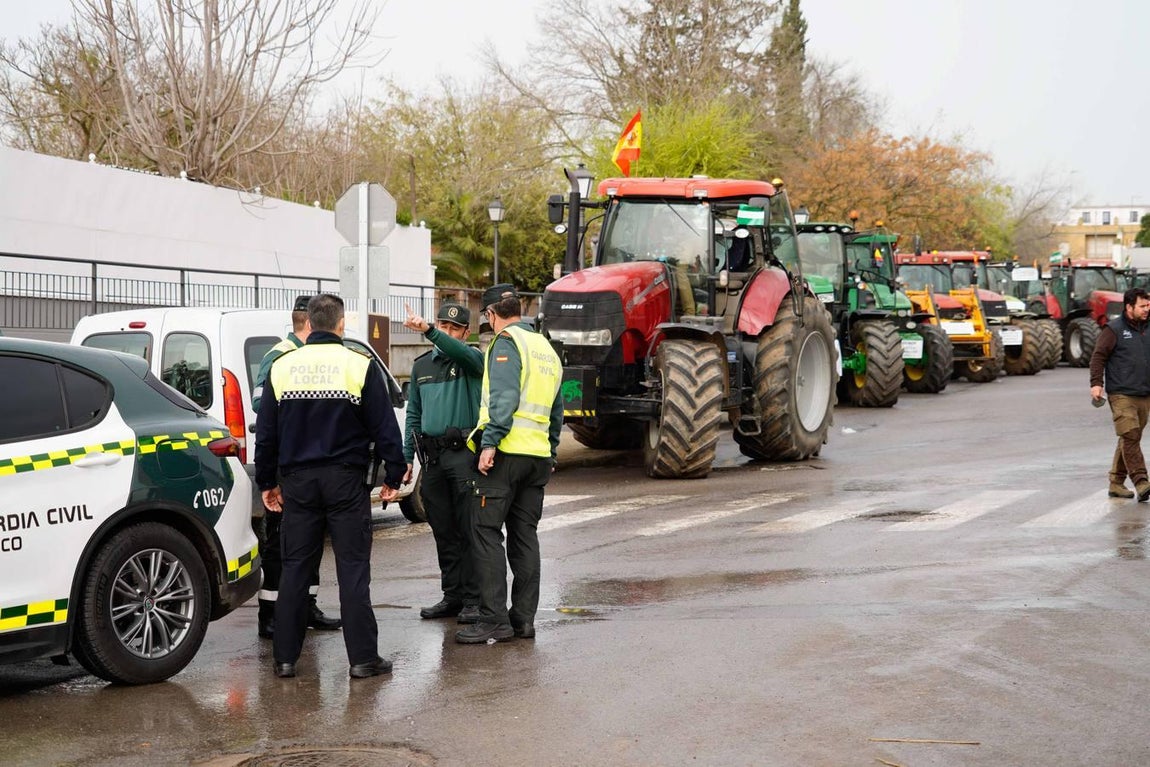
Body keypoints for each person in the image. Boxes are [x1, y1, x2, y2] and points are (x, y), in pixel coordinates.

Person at [255, 294, 406, 679]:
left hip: (298, 484)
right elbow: (385, 426)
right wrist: (393, 476)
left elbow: (267, 433)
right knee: (352, 570)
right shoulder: (360, 365)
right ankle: (362, 660)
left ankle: (285, 659)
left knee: (295, 570)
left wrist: (267, 482)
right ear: (340, 325)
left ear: (309, 323)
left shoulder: (282, 366)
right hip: (345, 482)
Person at [456, 284, 563, 644]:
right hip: (536, 458)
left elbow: (504, 396)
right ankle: (523, 620)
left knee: (485, 533)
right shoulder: (545, 348)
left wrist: (490, 442)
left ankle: (493, 620)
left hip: (506, 453)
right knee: (524, 538)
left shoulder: (506, 344)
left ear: (490, 315)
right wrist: (551, 450)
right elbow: (556, 411)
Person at [251, 295, 341, 639]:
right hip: (285, 463)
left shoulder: (307, 356)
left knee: (312, 540)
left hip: (308, 463)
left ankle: (307, 606)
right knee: (279, 544)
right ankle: (271, 614)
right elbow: (261, 400)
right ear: (308, 324)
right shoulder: (279, 357)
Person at [402, 301, 484, 624]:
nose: (447, 333)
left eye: (454, 329)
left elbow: (461, 352)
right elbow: (413, 414)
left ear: (465, 332)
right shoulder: (422, 366)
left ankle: (474, 599)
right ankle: (453, 595)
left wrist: (431, 332)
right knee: (443, 530)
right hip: (433, 458)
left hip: (463, 455)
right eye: (442, 326)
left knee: (469, 529)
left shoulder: (471, 359)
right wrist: (407, 458)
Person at [1090, 287, 1150, 501]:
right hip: (1121, 393)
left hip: (1144, 393)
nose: (1146, 310)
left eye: (1148, 305)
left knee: (1129, 437)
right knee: (1131, 435)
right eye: (1142, 306)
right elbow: (1098, 357)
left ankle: (1116, 482)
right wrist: (1096, 384)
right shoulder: (1113, 330)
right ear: (1129, 307)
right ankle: (1142, 481)